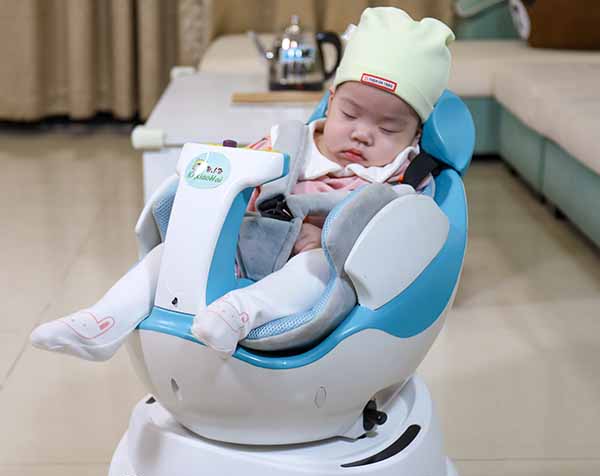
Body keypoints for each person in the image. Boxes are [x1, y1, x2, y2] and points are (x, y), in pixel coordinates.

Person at [30, 7, 454, 360]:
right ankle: (104, 320)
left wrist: (329, 238)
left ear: (414, 135)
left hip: (312, 264)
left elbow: (397, 235)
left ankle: (239, 312)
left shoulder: (401, 176)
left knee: (315, 268)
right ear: (330, 100)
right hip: (248, 243)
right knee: (169, 254)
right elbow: (241, 173)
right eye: (350, 114)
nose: (362, 134)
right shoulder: (291, 141)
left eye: (388, 127)